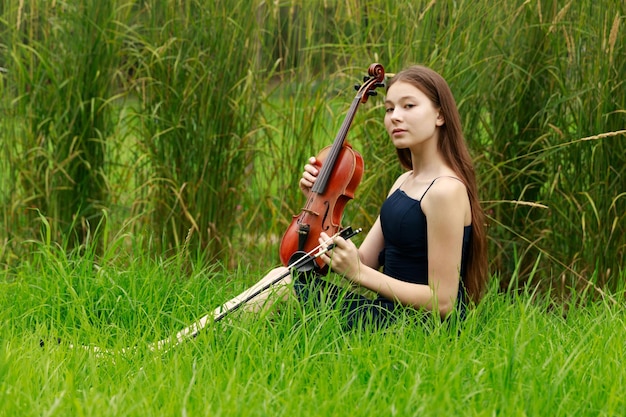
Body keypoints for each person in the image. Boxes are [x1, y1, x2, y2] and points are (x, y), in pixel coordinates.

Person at [216, 64, 488, 329]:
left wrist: (359, 274)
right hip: (386, 314)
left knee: (284, 287)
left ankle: (192, 340)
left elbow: (443, 301)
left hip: (418, 327)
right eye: (389, 109)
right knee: (281, 278)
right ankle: (190, 339)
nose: (395, 116)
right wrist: (317, 202)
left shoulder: (446, 190)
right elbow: (363, 261)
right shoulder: (404, 181)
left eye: (409, 106)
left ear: (440, 115)